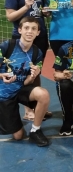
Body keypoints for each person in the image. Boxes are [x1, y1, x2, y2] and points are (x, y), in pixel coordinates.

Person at [4, 0, 52, 122]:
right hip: (22, 39)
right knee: (23, 72)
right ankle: (27, 110)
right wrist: (25, 6)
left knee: (35, 71)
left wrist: (45, 12)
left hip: (40, 37)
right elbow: (10, 16)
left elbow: (37, 12)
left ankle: (37, 107)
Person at [0, 16, 50, 146]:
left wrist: (33, 76)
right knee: (18, 136)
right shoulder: (7, 46)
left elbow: (27, 82)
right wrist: (1, 76)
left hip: (21, 89)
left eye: (34, 29)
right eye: (26, 28)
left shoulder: (37, 53)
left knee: (43, 94)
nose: (30, 31)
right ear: (19, 30)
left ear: (38, 32)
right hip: (4, 94)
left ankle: (35, 130)